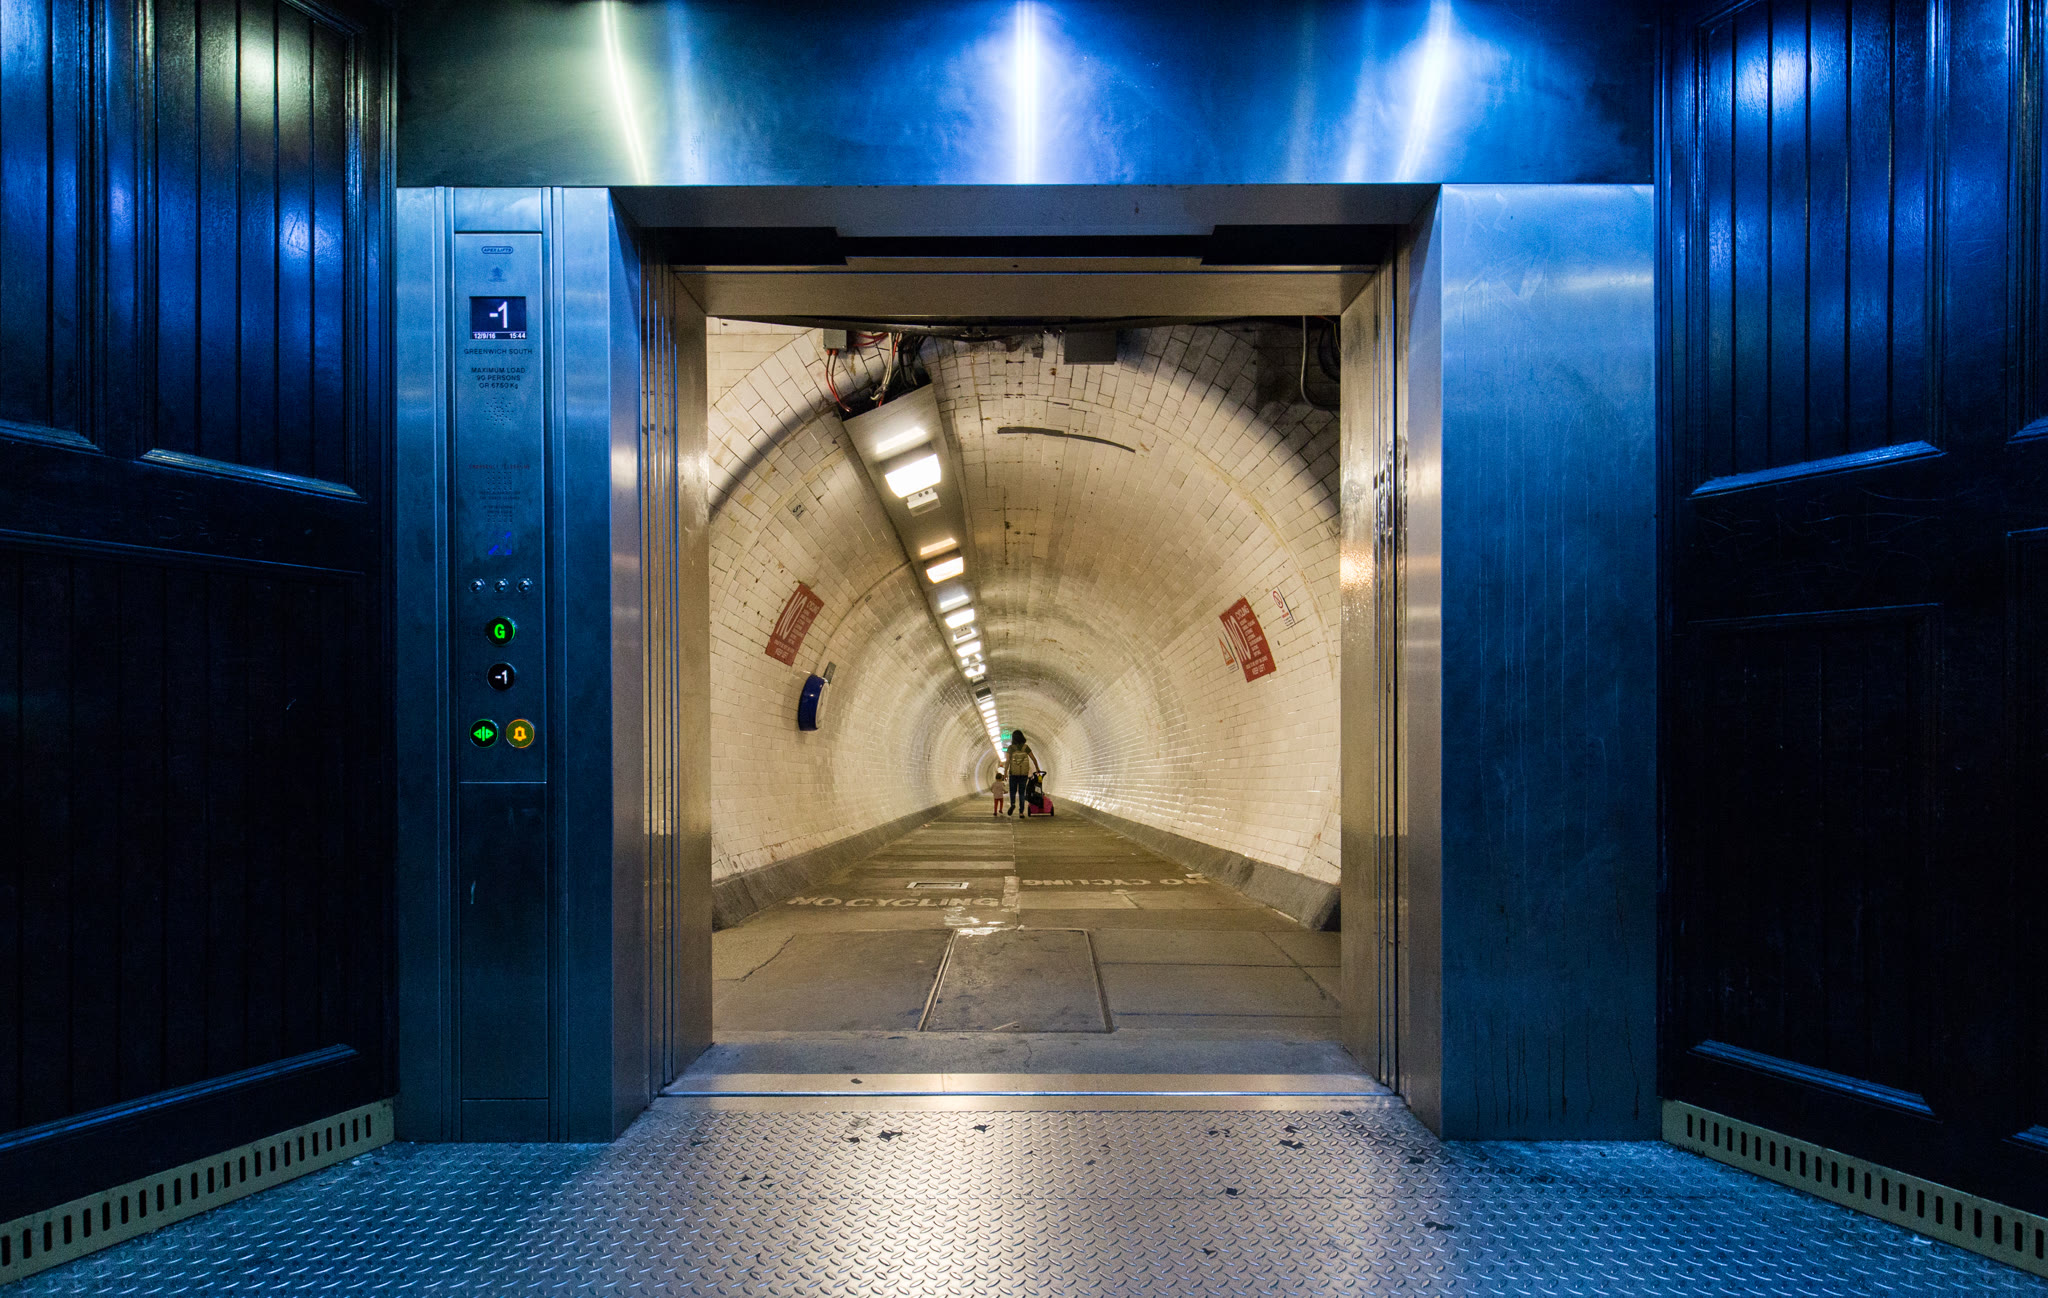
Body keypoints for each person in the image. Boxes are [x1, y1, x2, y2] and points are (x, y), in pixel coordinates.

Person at [1004, 730, 1041, 819]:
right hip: (1023, 774)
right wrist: (1037, 768)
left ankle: (1013, 804)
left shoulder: (1010, 748)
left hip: (1013, 773)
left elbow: (1008, 761)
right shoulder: (1026, 747)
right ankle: (1021, 812)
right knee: (1021, 793)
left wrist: (1005, 773)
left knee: (1012, 791)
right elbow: (1033, 759)